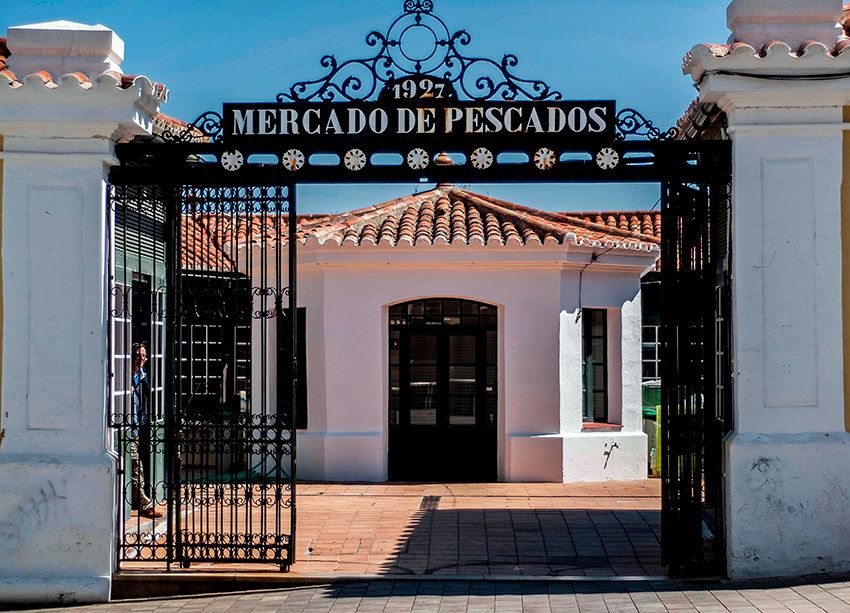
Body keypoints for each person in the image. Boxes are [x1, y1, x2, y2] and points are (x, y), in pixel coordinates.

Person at [129, 343, 163, 519]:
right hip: (126, 428)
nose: (140, 358)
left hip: (136, 428)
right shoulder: (125, 376)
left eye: (143, 355)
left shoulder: (142, 377)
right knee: (136, 468)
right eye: (137, 355)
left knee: (136, 467)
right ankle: (144, 505)